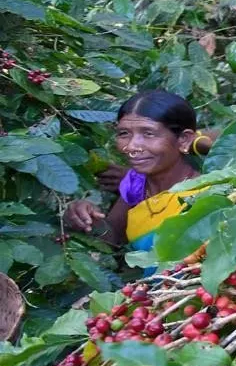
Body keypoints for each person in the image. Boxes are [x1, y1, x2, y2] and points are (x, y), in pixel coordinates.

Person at [63, 91, 208, 253]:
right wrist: (88, 219)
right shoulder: (136, 183)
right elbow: (112, 240)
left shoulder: (208, 192)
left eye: (148, 133)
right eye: (124, 134)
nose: (131, 146)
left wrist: (202, 143)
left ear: (184, 139)